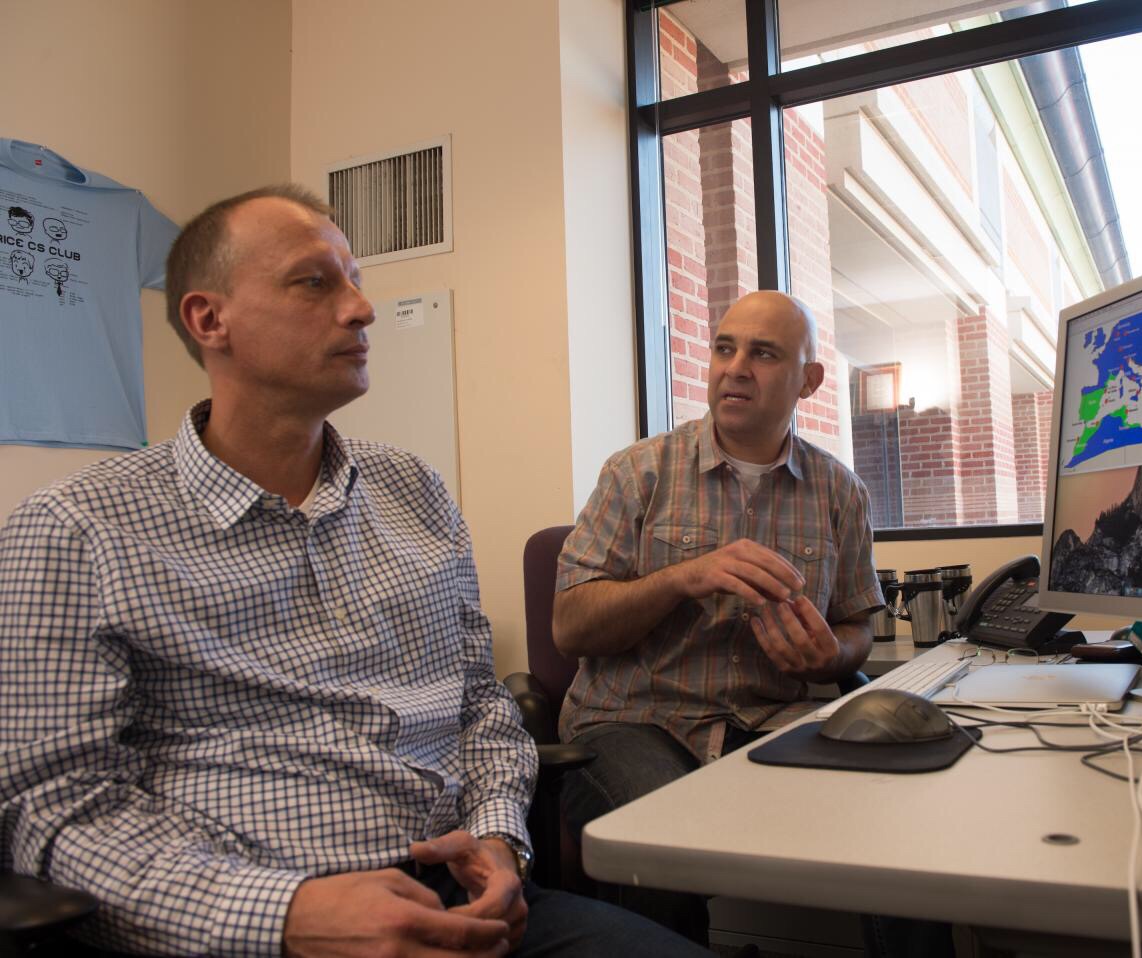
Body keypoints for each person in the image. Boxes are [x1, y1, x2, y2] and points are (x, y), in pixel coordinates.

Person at [0, 185, 709, 958]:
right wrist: (286, 914)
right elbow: (55, 811)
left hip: (465, 898)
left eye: (356, 280)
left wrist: (502, 842)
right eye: (315, 282)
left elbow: (481, 707)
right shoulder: (76, 529)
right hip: (246, 922)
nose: (361, 309)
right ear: (210, 320)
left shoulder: (414, 491)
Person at [552, 291, 885, 943]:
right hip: (635, 719)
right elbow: (570, 626)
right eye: (724, 348)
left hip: (774, 719)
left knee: (894, 823)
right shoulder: (637, 473)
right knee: (662, 841)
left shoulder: (839, 491)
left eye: (762, 353)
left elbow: (859, 629)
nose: (735, 368)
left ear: (808, 380)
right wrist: (682, 578)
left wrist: (831, 657)